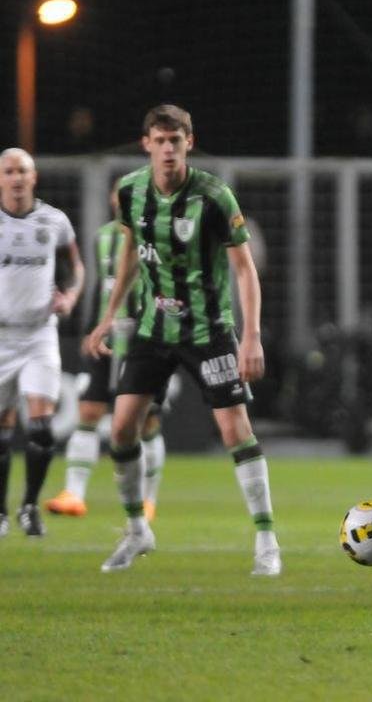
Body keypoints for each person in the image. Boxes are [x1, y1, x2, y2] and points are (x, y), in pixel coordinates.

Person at [83, 104, 281, 575]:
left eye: (177, 141)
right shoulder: (131, 191)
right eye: (161, 140)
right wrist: (110, 315)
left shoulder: (214, 196)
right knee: (121, 430)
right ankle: (137, 531)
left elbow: (244, 269)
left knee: (236, 431)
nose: (169, 149)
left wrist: (250, 336)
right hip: (153, 329)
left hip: (208, 331)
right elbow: (131, 249)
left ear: (189, 143)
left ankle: (267, 540)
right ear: (146, 144)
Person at [46, 183, 170, 519]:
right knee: (88, 411)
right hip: (107, 337)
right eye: (119, 193)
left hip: (145, 339)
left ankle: (148, 499)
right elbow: (101, 287)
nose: (123, 199)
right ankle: (74, 493)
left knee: (147, 422)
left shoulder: (159, 235)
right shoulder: (103, 236)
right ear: (112, 199)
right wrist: (91, 329)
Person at [0, 147, 85, 537]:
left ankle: (30, 507)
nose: (17, 178)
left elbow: (76, 268)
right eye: (9, 171)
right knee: (3, 428)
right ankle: (0, 511)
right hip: (1, 336)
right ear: (1, 178)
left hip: (39, 334)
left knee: (41, 427)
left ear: (34, 177)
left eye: (23, 171)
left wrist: (69, 296)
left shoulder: (54, 221)